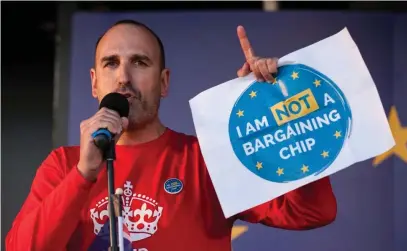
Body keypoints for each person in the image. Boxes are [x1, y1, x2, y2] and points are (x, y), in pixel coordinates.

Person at [5, 19, 337, 251]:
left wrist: (279, 112)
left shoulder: (207, 158)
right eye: (110, 63)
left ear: (163, 82)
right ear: (94, 83)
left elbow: (312, 212)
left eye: (139, 62)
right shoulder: (64, 165)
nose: (123, 77)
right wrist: (83, 175)